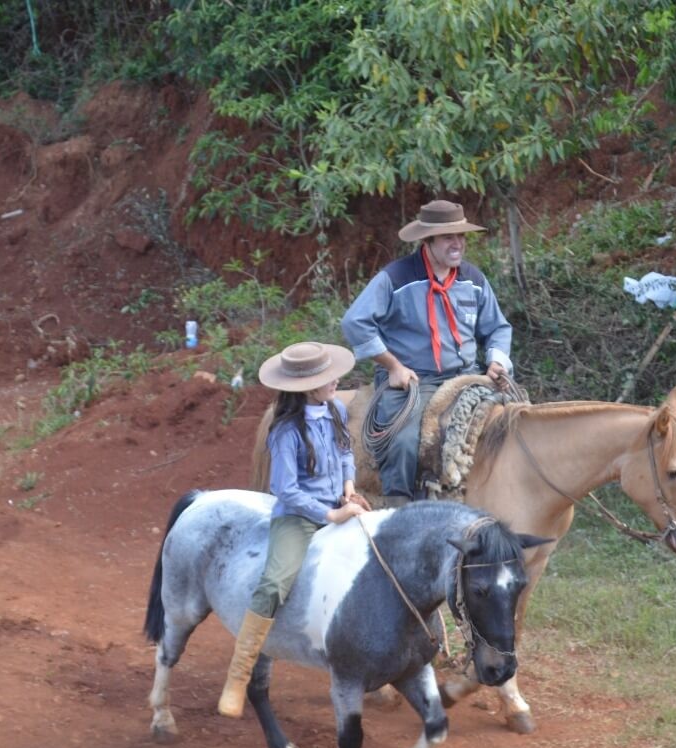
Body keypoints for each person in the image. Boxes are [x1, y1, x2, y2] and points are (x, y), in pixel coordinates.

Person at [217, 341, 368, 718]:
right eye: (326, 378)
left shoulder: (334, 409)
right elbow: (285, 490)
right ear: (306, 387)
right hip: (298, 518)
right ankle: (238, 675)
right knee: (275, 582)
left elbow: (346, 452)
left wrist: (349, 488)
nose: (336, 381)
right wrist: (329, 515)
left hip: (339, 504)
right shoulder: (286, 432)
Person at [341, 199, 514, 504]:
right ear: (428, 240)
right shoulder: (396, 279)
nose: (457, 243)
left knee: (515, 423)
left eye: (461, 236)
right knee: (405, 441)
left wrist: (497, 360)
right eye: (449, 237)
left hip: (465, 377)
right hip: (412, 380)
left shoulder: (473, 280)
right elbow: (355, 322)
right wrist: (392, 365)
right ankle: (399, 512)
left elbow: (498, 328)